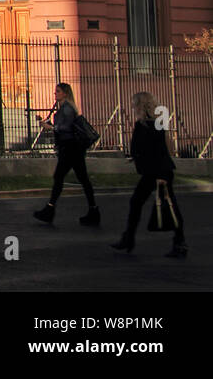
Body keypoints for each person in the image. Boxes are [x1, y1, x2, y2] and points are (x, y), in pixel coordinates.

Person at [110, 92, 187, 258]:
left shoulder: (147, 125)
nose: (132, 108)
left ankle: (129, 238)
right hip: (158, 171)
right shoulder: (153, 124)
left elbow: (159, 151)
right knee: (165, 205)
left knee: (145, 203)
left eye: (134, 104)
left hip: (157, 173)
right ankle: (178, 241)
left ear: (140, 106)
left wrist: (159, 174)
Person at [33, 82, 100, 226]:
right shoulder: (65, 108)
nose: (55, 93)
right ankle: (93, 211)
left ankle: (49, 210)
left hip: (71, 148)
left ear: (65, 93)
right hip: (72, 148)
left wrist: (50, 127)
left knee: (60, 177)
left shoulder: (67, 108)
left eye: (58, 91)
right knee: (82, 178)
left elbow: (65, 127)